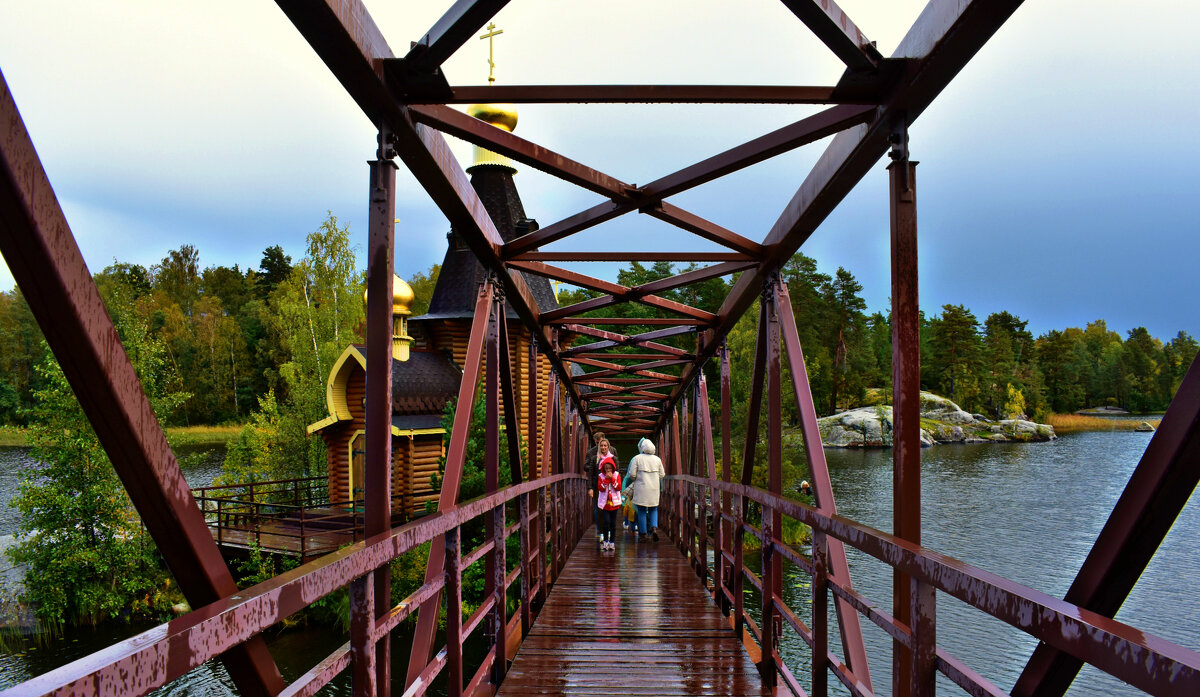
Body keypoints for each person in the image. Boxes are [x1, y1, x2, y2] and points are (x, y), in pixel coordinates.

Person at [624, 438, 666, 542]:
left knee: (642, 510)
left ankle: (642, 534)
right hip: (654, 489)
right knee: (653, 509)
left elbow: (632, 474)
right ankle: (654, 529)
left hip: (641, 488)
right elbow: (662, 474)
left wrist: (637, 479)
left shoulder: (637, 458)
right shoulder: (657, 459)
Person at [587, 438, 615, 545]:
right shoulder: (595, 459)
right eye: (601, 446)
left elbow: (616, 472)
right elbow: (590, 474)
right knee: (599, 510)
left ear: (608, 447)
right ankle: (601, 531)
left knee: (609, 509)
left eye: (605, 446)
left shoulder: (613, 458)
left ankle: (608, 532)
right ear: (599, 447)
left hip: (610, 488)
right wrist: (590, 488)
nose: (603, 447)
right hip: (598, 487)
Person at [595, 458, 623, 551]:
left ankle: (612, 542)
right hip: (605, 503)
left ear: (613, 468)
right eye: (606, 469)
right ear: (603, 469)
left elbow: (618, 487)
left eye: (610, 469)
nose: (608, 471)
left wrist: (612, 479)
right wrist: (606, 479)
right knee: (606, 522)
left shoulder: (617, 475)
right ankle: (605, 541)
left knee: (613, 524)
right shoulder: (600, 476)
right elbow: (601, 488)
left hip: (614, 503)